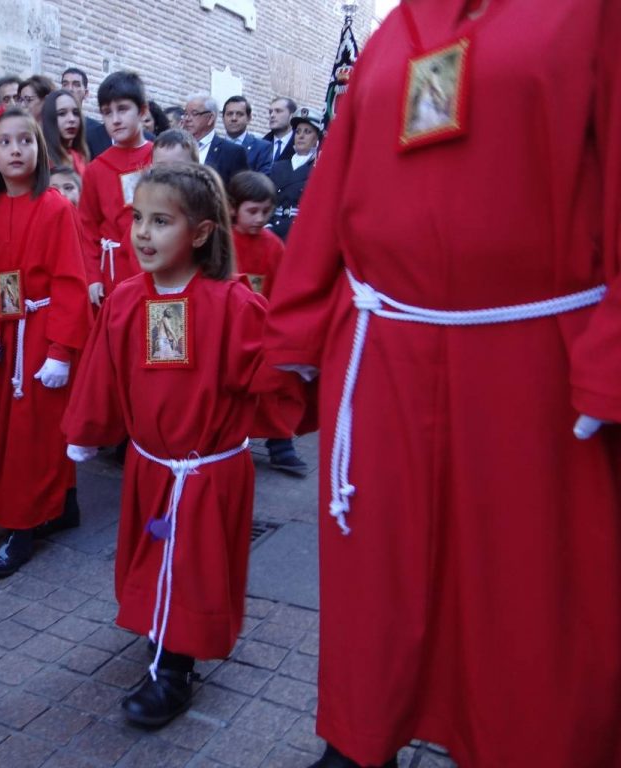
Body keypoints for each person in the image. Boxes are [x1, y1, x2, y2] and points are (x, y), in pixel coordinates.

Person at [264, 2, 621, 767]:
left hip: (533, 358)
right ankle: (362, 731)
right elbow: (336, 186)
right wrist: (294, 328)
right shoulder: (395, 30)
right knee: (376, 568)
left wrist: (610, 359)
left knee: (528, 589)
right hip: (386, 347)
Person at [64, 162, 269, 727]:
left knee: (192, 565)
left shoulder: (233, 305)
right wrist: (86, 431)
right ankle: (163, 635)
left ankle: (175, 669)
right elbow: (103, 373)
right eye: (137, 219)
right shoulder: (127, 300)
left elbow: (269, 377)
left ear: (201, 233)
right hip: (151, 464)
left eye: (161, 221)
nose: (143, 234)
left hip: (206, 469)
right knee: (157, 557)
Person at [0, 107, 91, 577]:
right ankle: (64, 505)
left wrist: (61, 350)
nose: (16, 150)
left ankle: (22, 526)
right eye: (5, 142)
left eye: (25, 141)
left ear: (39, 149)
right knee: (5, 429)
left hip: (40, 331)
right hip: (2, 334)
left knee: (33, 431)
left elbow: (72, 281)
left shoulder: (56, 208)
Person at [227, 170, 307, 476]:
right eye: (253, 211)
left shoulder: (273, 245)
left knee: (275, 384)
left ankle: (280, 443)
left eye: (266, 211)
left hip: (263, 329)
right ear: (233, 207)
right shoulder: (223, 240)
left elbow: (283, 287)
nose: (260, 218)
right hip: (230, 331)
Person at [78, 70, 154, 307]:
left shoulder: (160, 157)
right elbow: (87, 228)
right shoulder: (96, 169)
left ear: (142, 111)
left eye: (122, 109)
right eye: (107, 113)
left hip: (155, 261)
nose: (115, 120)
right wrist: (92, 277)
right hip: (113, 271)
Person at [267, 107, 322, 241]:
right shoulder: (278, 166)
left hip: (303, 233)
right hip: (275, 230)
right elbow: (267, 199)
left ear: (317, 139)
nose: (301, 136)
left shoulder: (319, 168)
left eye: (307, 132)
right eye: (298, 132)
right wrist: (267, 225)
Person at [180, 93, 248, 187]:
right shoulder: (179, 146)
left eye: (194, 113)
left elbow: (239, 191)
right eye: (186, 114)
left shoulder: (232, 152)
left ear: (210, 118)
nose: (187, 119)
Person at [62, 66, 111, 158]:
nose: (69, 89)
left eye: (76, 84)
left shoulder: (97, 131)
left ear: (86, 93)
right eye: (65, 84)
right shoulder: (50, 126)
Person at [41, 88, 89, 176]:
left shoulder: (80, 158)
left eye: (75, 113)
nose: (71, 119)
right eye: (62, 113)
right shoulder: (40, 160)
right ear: (50, 119)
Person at [222, 95, 272, 174]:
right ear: (223, 118)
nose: (234, 118)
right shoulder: (214, 146)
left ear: (249, 118)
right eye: (229, 114)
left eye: (239, 114)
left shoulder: (262, 148)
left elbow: (263, 181)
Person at [262, 96, 297, 168]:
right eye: (270, 112)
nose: (272, 115)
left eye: (278, 111)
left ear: (292, 116)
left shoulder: (300, 144)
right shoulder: (262, 144)